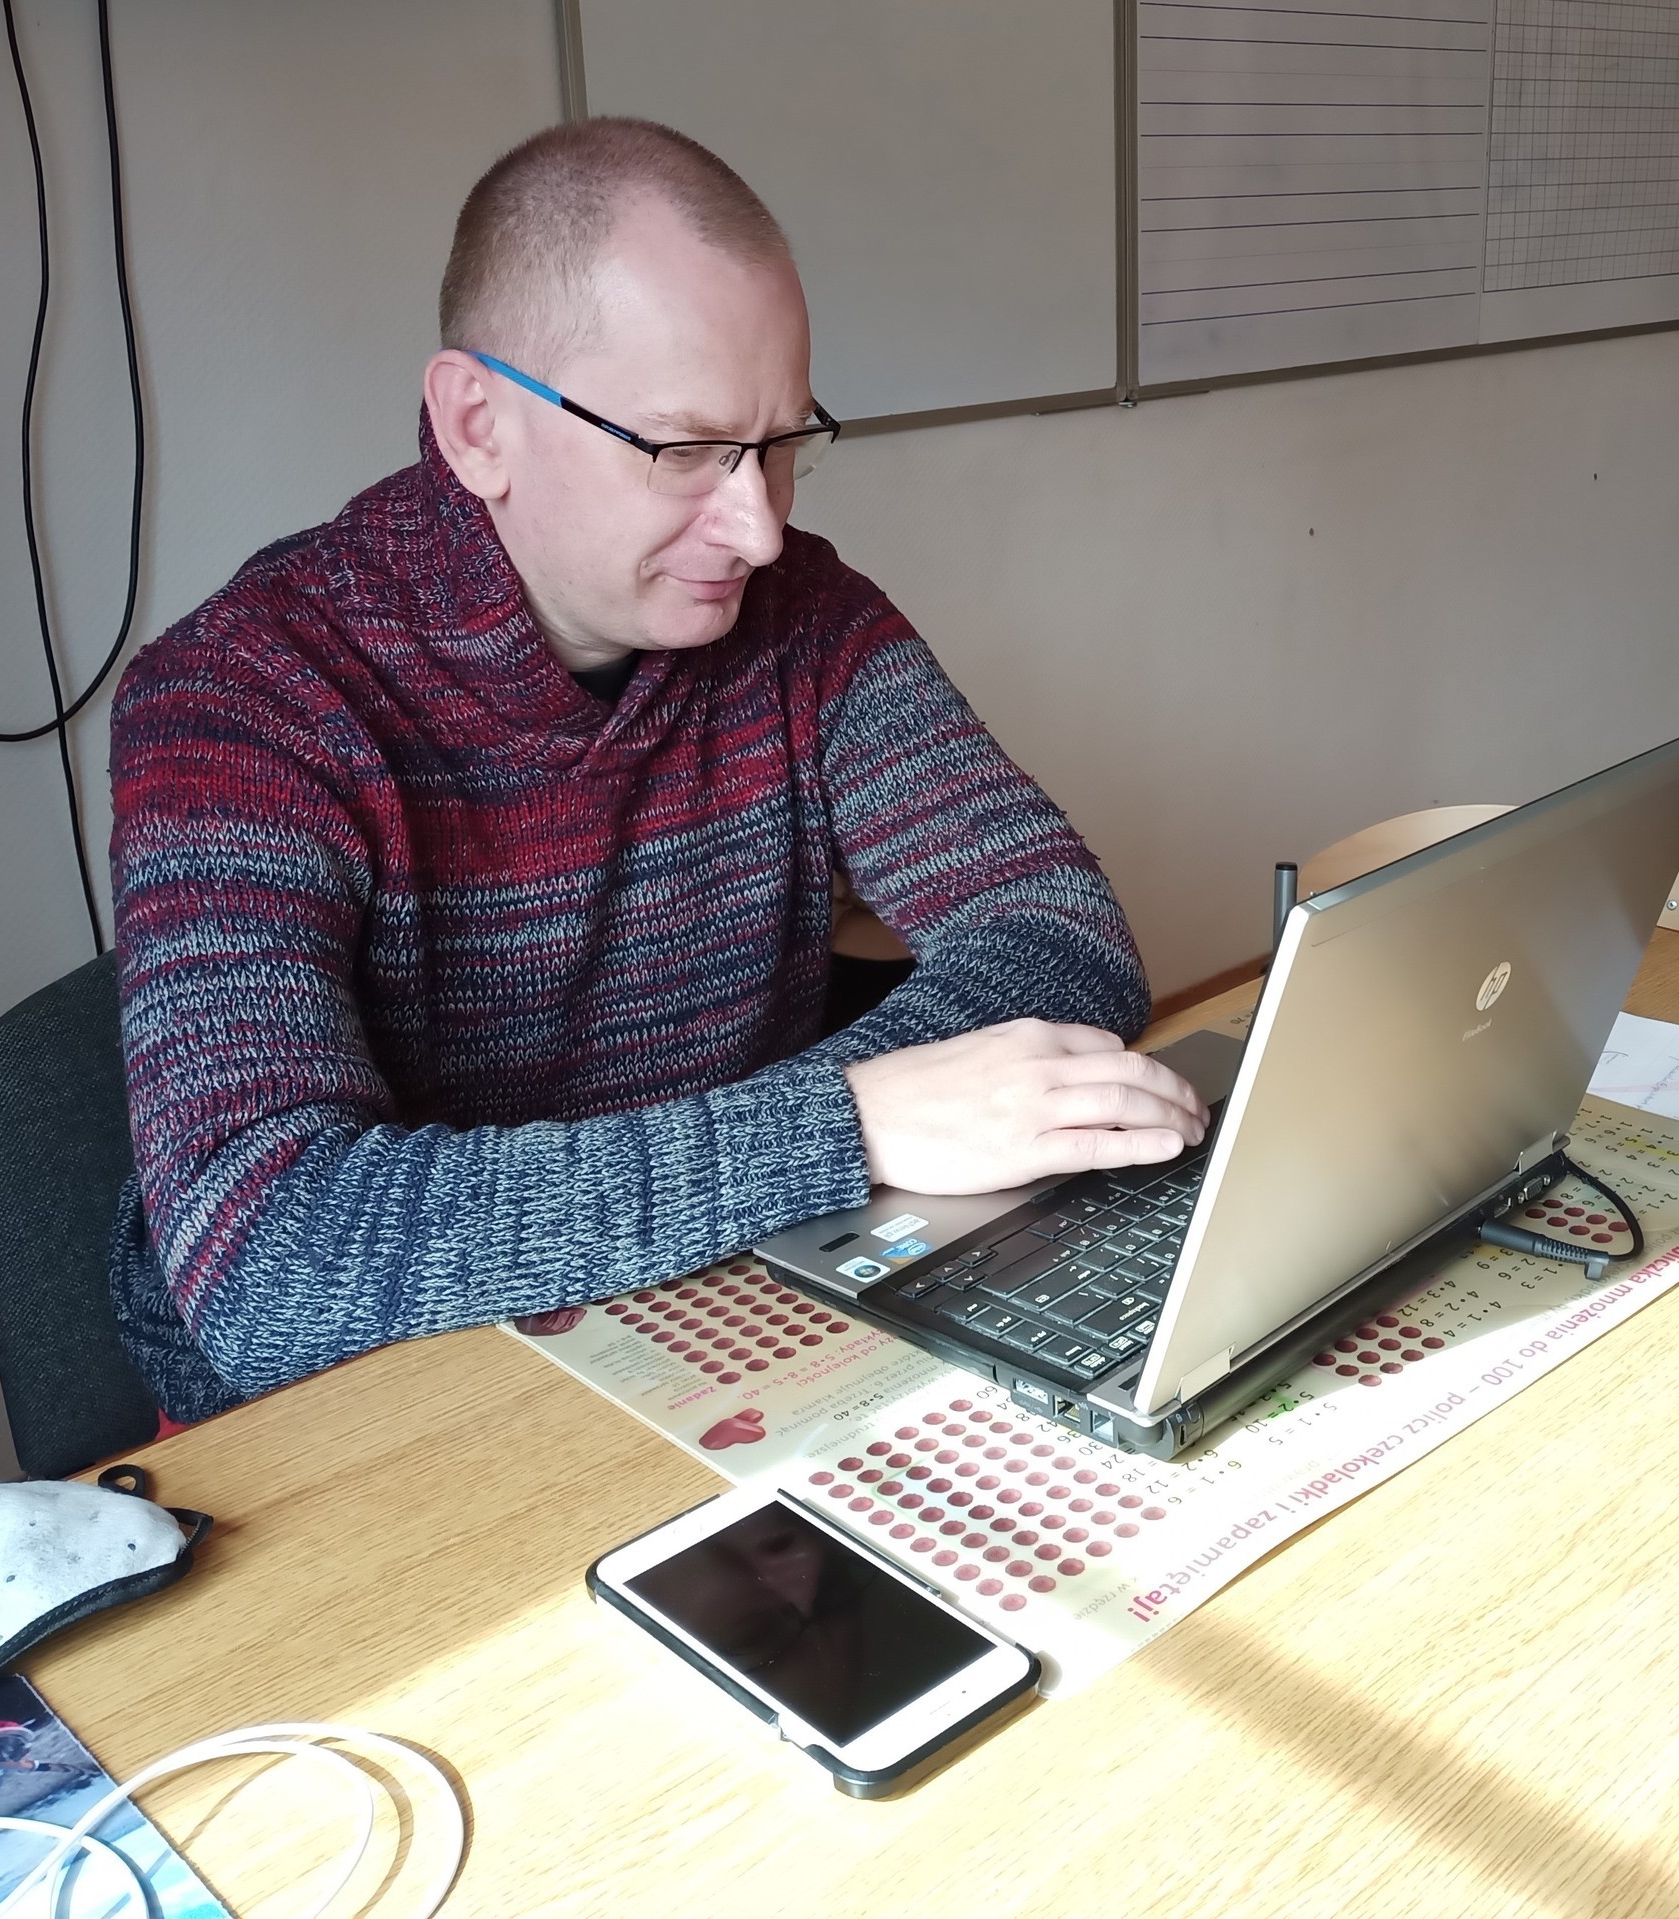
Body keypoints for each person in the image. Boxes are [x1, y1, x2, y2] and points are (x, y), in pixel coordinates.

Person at [106, 119, 1206, 1422]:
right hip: (378, 1418)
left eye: (781, 442)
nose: (760, 526)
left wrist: (806, 1145)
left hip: (722, 1315)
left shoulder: (801, 619)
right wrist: (841, 1128)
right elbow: (273, 1264)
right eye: (685, 451)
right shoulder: (243, 697)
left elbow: (1057, 927)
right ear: (478, 425)